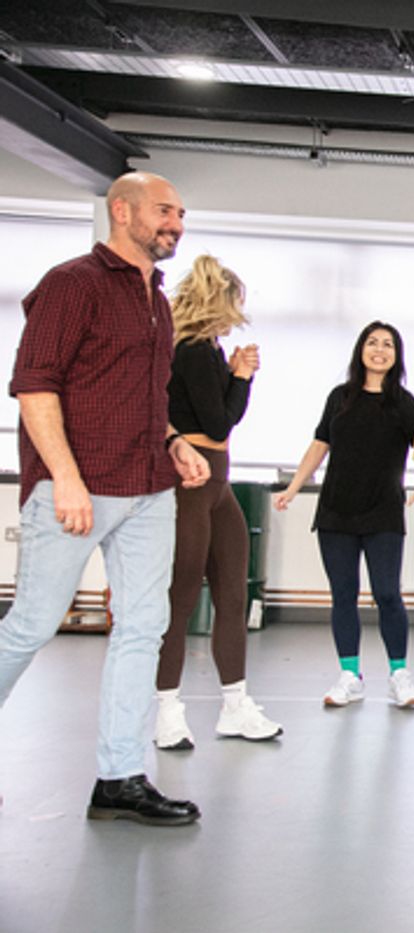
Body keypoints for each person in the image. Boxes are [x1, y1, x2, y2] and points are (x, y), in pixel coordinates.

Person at [0, 171, 208, 825]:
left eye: (180, 213)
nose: (176, 222)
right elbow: (35, 386)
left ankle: (120, 776)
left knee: (143, 629)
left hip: (149, 487)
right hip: (78, 486)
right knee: (32, 624)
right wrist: (62, 475)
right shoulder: (72, 283)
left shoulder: (157, 296)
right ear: (122, 211)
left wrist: (175, 440)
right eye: (164, 210)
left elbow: (141, 394)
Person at [273, 322, 414, 709]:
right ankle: (350, 675)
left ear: (397, 355)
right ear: (360, 350)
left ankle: (399, 674)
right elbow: (319, 445)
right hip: (336, 513)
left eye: (388, 345)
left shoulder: (404, 403)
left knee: (387, 594)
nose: (379, 350)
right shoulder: (339, 398)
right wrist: (294, 487)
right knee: (342, 595)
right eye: (372, 342)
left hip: (383, 513)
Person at [155, 255, 282, 749]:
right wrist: (243, 377)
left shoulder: (207, 350)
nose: (239, 315)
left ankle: (235, 705)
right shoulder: (191, 350)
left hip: (219, 485)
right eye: (237, 304)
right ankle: (167, 709)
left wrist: (234, 374)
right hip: (191, 483)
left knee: (233, 596)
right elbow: (218, 423)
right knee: (180, 600)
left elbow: (218, 420)